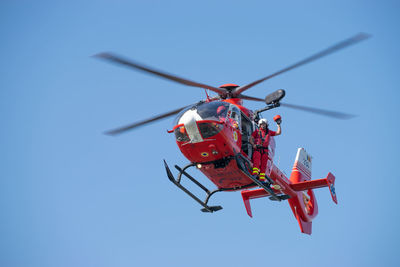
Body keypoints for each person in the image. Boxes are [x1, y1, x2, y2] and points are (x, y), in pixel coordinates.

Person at [249, 117, 281, 183]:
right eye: (262, 124)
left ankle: (262, 179)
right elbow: (251, 138)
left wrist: (278, 124)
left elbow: (278, 133)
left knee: (263, 165)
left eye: (264, 124)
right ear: (260, 125)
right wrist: (253, 145)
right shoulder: (256, 132)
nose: (263, 125)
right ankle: (254, 174)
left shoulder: (269, 132)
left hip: (265, 152)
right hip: (257, 149)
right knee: (256, 162)